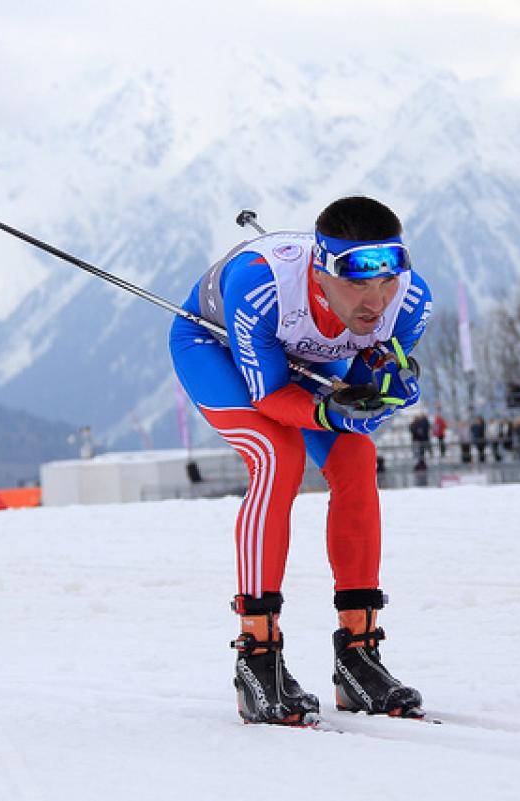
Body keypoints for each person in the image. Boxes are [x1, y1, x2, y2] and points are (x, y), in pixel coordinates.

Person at [169, 196, 431, 725]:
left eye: (386, 281)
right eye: (358, 283)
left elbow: (364, 397)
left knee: (357, 456)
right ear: (320, 269)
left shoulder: (410, 302)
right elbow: (270, 400)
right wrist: (332, 411)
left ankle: (358, 655)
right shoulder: (261, 286)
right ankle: (257, 657)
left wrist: (386, 391)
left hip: (305, 362)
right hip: (216, 347)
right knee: (277, 453)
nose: (376, 301)